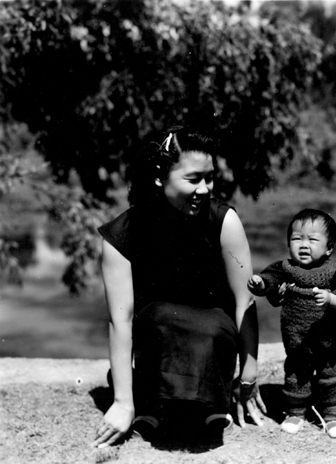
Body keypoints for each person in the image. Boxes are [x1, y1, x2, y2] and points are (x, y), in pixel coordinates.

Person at [91, 127, 266, 448]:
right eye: (193, 178)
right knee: (157, 318)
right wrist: (122, 403)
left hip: (214, 338)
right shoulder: (122, 235)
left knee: (209, 329)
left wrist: (249, 377)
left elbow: (245, 302)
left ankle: (206, 394)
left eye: (209, 178)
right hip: (157, 339)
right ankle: (146, 397)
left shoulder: (224, 221)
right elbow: (121, 320)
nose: (204, 189)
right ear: (160, 176)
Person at [247, 209, 336, 438]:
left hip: (328, 337)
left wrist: (332, 299)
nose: (304, 245)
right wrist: (261, 284)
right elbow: (271, 279)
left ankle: (332, 415)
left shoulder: (335, 271)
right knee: (297, 373)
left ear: (329, 247)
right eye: (297, 238)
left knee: (331, 374)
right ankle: (295, 412)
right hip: (296, 336)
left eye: (313, 239)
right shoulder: (286, 268)